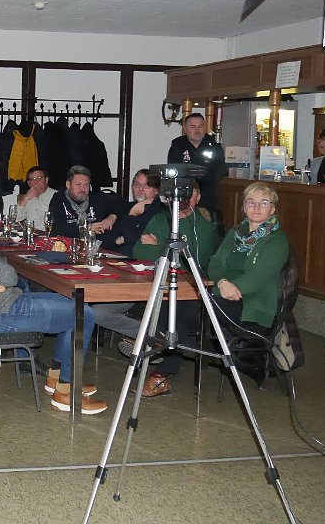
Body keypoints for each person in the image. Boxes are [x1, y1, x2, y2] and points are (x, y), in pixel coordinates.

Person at [0, 186, 107, 414]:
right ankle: (66, 392)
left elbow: (0, 276)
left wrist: (1, 280)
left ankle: (57, 378)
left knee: (68, 302)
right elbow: (10, 276)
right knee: (83, 313)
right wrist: (3, 279)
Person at [141, 181, 288, 398]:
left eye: (263, 203)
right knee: (173, 307)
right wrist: (221, 282)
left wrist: (230, 287)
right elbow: (215, 263)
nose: (256, 207)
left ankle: (158, 351)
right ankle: (162, 362)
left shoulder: (276, 240)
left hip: (253, 305)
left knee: (185, 312)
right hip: (222, 295)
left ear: (273, 208)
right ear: (244, 207)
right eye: (251, 202)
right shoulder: (237, 233)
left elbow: (257, 278)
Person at [128, 181, 219, 397]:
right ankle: (156, 344)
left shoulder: (204, 227)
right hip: (163, 285)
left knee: (174, 315)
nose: (184, 198)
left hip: (196, 292)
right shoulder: (161, 219)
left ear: (198, 198)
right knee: (162, 307)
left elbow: (192, 262)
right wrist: (167, 250)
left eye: (190, 194)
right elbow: (139, 251)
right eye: (181, 193)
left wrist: (159, 247)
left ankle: (160, 370)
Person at [167, 113, 226, 213]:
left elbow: (220, 171)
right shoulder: (177, 147)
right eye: (193, 127)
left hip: (208, 195)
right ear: (185, 129)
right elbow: (173, 171)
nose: (197, 130)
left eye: (200, 126)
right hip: (184, 196)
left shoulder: (214, 146)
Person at [47, 165, 121, 241]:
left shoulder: (96, 198)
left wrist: (112, 217)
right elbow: (56, 229)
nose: (82, 189)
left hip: (95, 244)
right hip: (67, 244)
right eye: (78, 184)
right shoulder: (59, 199)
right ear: (68, 185)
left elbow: (122, 202)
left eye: (86, 185)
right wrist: (85, 228)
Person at [107, 169, 165, 255]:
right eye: (137, 185)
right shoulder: (125, 206)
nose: (140, 189)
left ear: (156, 190)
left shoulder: (160, 212)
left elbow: (135, 238)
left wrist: (132, 214)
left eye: (146, 186)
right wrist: (118, 240)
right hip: (117, 256)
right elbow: (104, 239)